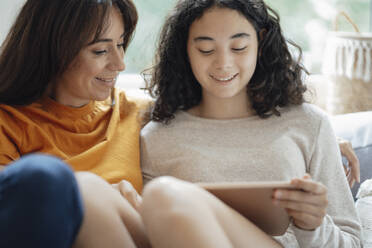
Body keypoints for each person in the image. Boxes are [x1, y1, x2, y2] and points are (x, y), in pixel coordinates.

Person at [139, 0, 362, 247]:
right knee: (162, 197)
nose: (223, 63)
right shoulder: (157, 138)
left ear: (261, 43)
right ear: (185, 50)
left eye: (239, 47)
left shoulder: (309, 124)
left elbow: (353, 242)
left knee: (164, 194)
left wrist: (312, 227)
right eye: (206, 50)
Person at [0, 0, 150, 247]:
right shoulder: (9, 122)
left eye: (121, 44)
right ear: (53, 50)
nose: (120, 64)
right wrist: (90, 196)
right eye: (100, 51)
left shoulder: (138, 114)